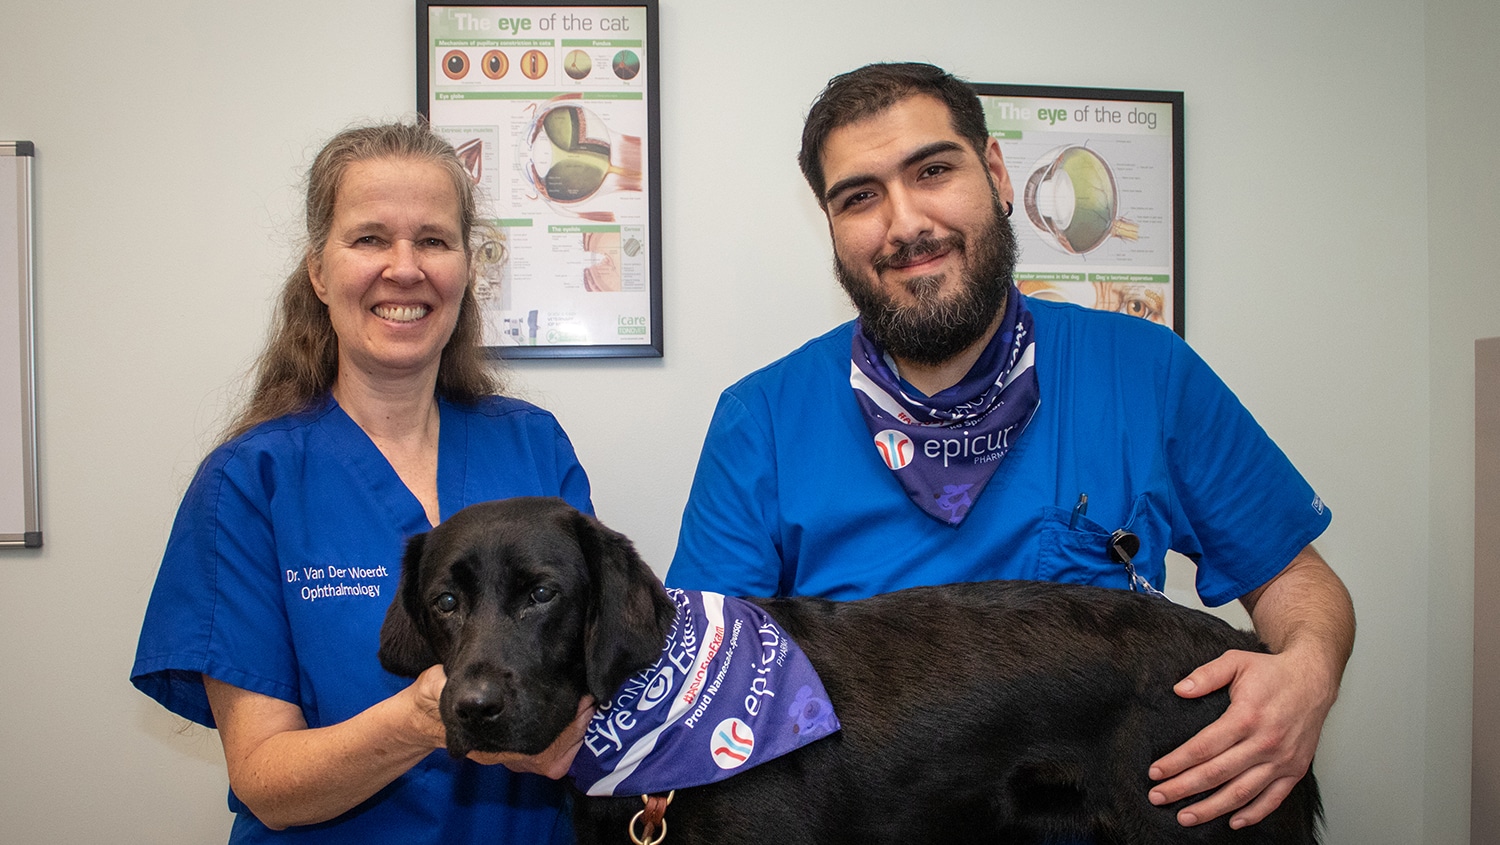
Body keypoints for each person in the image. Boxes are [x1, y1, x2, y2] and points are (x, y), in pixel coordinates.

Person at [665, 62, 1355, 834]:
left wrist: (1307, 671)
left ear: (995, 174)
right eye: (859, 196)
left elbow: (1293, 573)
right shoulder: (760, 419)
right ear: (830, 225)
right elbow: (702, 682)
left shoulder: (1147, 372)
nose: (905, 224)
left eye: (932, 170)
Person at [131, 121, 593, 844]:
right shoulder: (248, 484)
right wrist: (417, 720)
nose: (404, 268)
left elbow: (595, 672)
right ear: (318, 270)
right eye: (370, 238)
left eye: (434, 240)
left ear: (467, 267)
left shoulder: (533, 445)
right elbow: (263, 778)